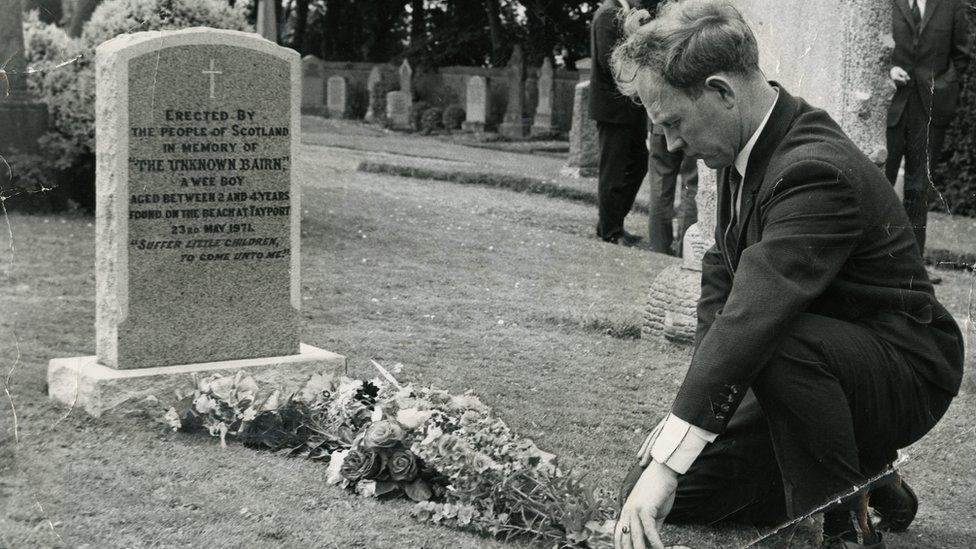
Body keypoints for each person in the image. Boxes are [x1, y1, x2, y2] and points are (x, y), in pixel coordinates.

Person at [609, 2, 964, 548]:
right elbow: (721, 292)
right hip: (815, 363)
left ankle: (842, 527)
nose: (672, 144)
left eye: (674, 123)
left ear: (721, 91)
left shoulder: (812, 168)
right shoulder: (741, 148)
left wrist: (673, 454)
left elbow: (754, 315)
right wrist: (684, 442)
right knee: (684, 488)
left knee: (776, 344)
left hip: (902, 368)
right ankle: (873, 476)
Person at [885, 0, 971, 258]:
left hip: (928, 111)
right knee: (879, 183)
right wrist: (889, 70)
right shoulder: (886, 3)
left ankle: (912, 270)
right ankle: (872, 269)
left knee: (918, 188)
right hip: (892, 106)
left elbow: (962, 56)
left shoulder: (952, 5)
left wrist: (941, 87)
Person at [590, 0, 649, 245]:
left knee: (638, 164)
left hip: (628, 110)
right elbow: (611, 63)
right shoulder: (608, 15)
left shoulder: (622, 12)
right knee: (613, 172)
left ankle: (609, 223)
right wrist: (635, 35)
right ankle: (611, 232)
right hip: (613, 110)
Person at [647, 127, 698, 255]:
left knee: (660, 184)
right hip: (693, 128)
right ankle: (685, 249)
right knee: (691, 185)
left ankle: (659, 247)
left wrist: (650, 128)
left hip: (661, 126)